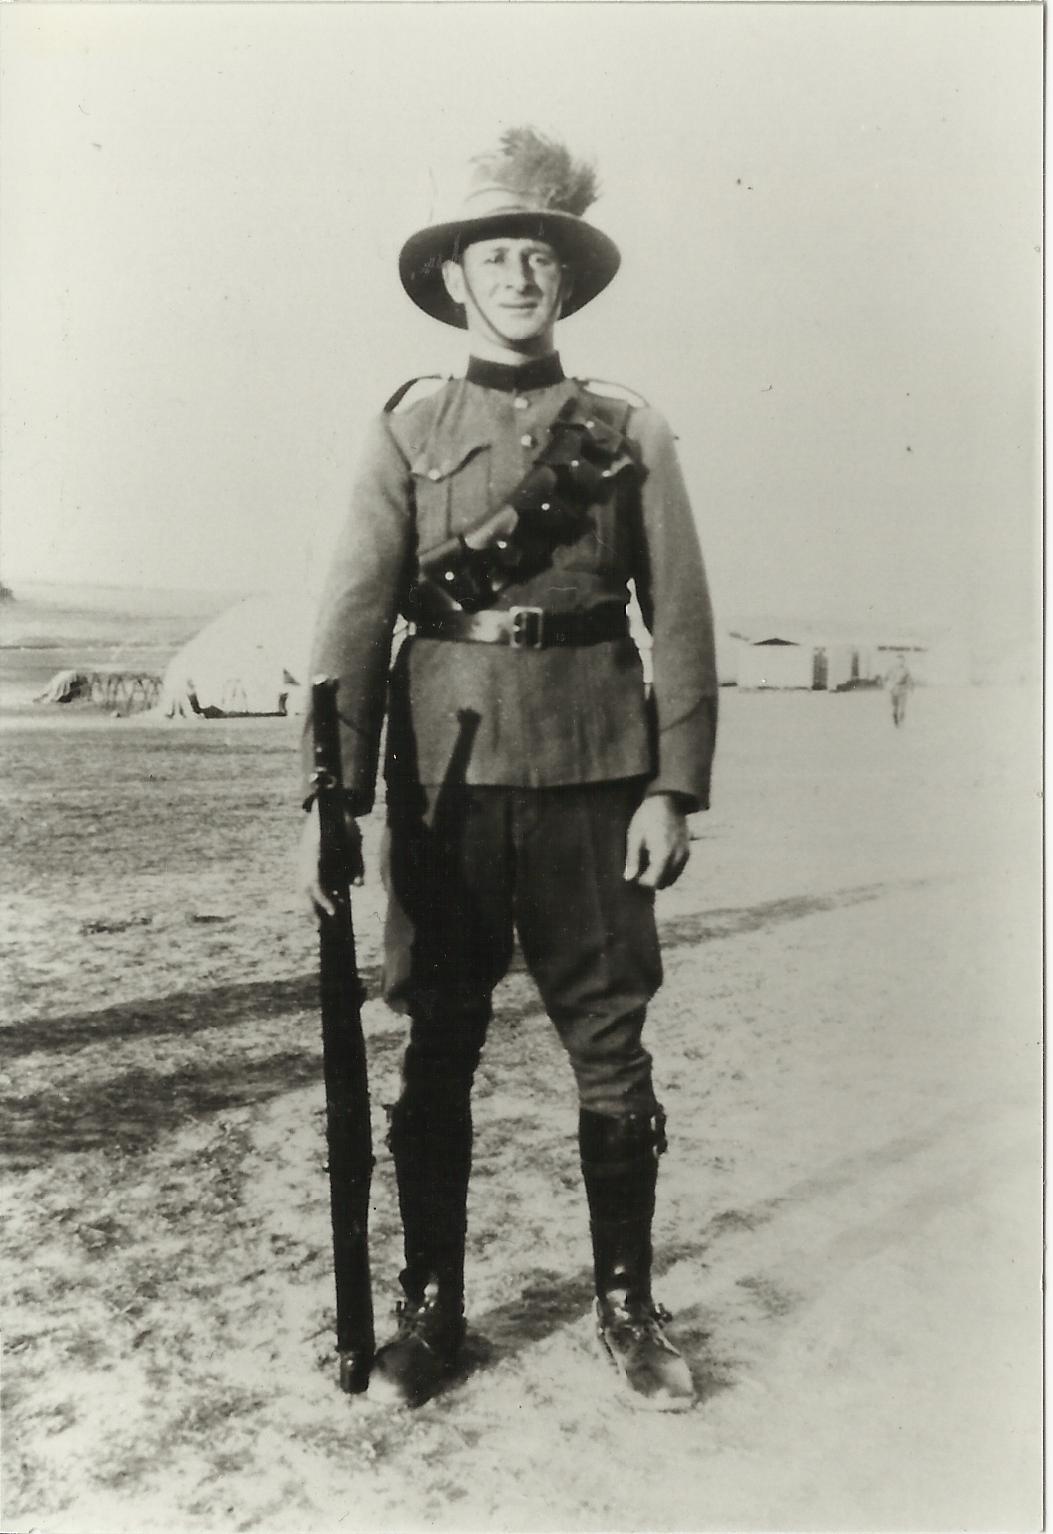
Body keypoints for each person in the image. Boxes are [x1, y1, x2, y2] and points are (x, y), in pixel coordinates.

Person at [299, 127, 718, 1412]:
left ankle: (627, 1305)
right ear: (458, 280)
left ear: (564, 281)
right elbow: (353, 623)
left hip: (599, 776)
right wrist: (334, 803)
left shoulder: (628, 427)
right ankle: (433, 1312)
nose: (521, 276)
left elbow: (684, 613)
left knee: (613, 1049)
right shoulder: (411, 423)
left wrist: (673, 787)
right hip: (450, 784)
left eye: (540, 256)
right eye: (498, 255)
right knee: (439, 1046)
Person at [885, 652, 914, 727]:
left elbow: (909, 679)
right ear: (896, 661)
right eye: (898, 660)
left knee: (902, 707)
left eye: (902, 660)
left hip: (903, 689)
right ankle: (895, 719)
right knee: (895, 706)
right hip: (894, 689)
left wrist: (911, 687)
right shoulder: (892, 669)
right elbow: (886, 677)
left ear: (904, 661)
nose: (900, 662)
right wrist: (888, 685)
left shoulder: (906, 669)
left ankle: (901, 718)